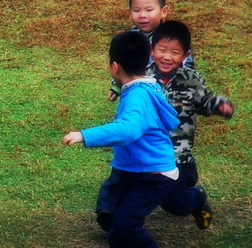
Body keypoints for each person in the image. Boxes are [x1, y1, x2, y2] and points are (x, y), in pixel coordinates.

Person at [63, 31, 181, 248]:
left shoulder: (138, 97)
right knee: (116, 224)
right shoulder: (144, 85)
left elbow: (129, 130)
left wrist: (84, 135)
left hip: (153, 176)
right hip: (134, 171)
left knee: (126, 226)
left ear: (114, 66)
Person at [97, 21, 234, 230]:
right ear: (152, 50)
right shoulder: (144, 75)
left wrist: (220, 106)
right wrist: (116, 87)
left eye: (175, 52)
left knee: (173, 202)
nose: (167, 57)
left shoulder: (191, 80)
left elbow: (206, 101)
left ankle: (196, 199)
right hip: (146, 149)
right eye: (161, 50)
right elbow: (126, 78)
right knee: (120, 181)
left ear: (185, 55)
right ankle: (111, 216)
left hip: (178, 155)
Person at [108, 0, 195, 102]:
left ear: (163, 12)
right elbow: (123, 65)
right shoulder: (129, 38)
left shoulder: (173, 37)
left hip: (168, 95)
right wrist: (117, 85)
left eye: (149, 10)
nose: (142, 15)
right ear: (129, 13)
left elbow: (187, 65)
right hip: (137, 94)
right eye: (136, 10)